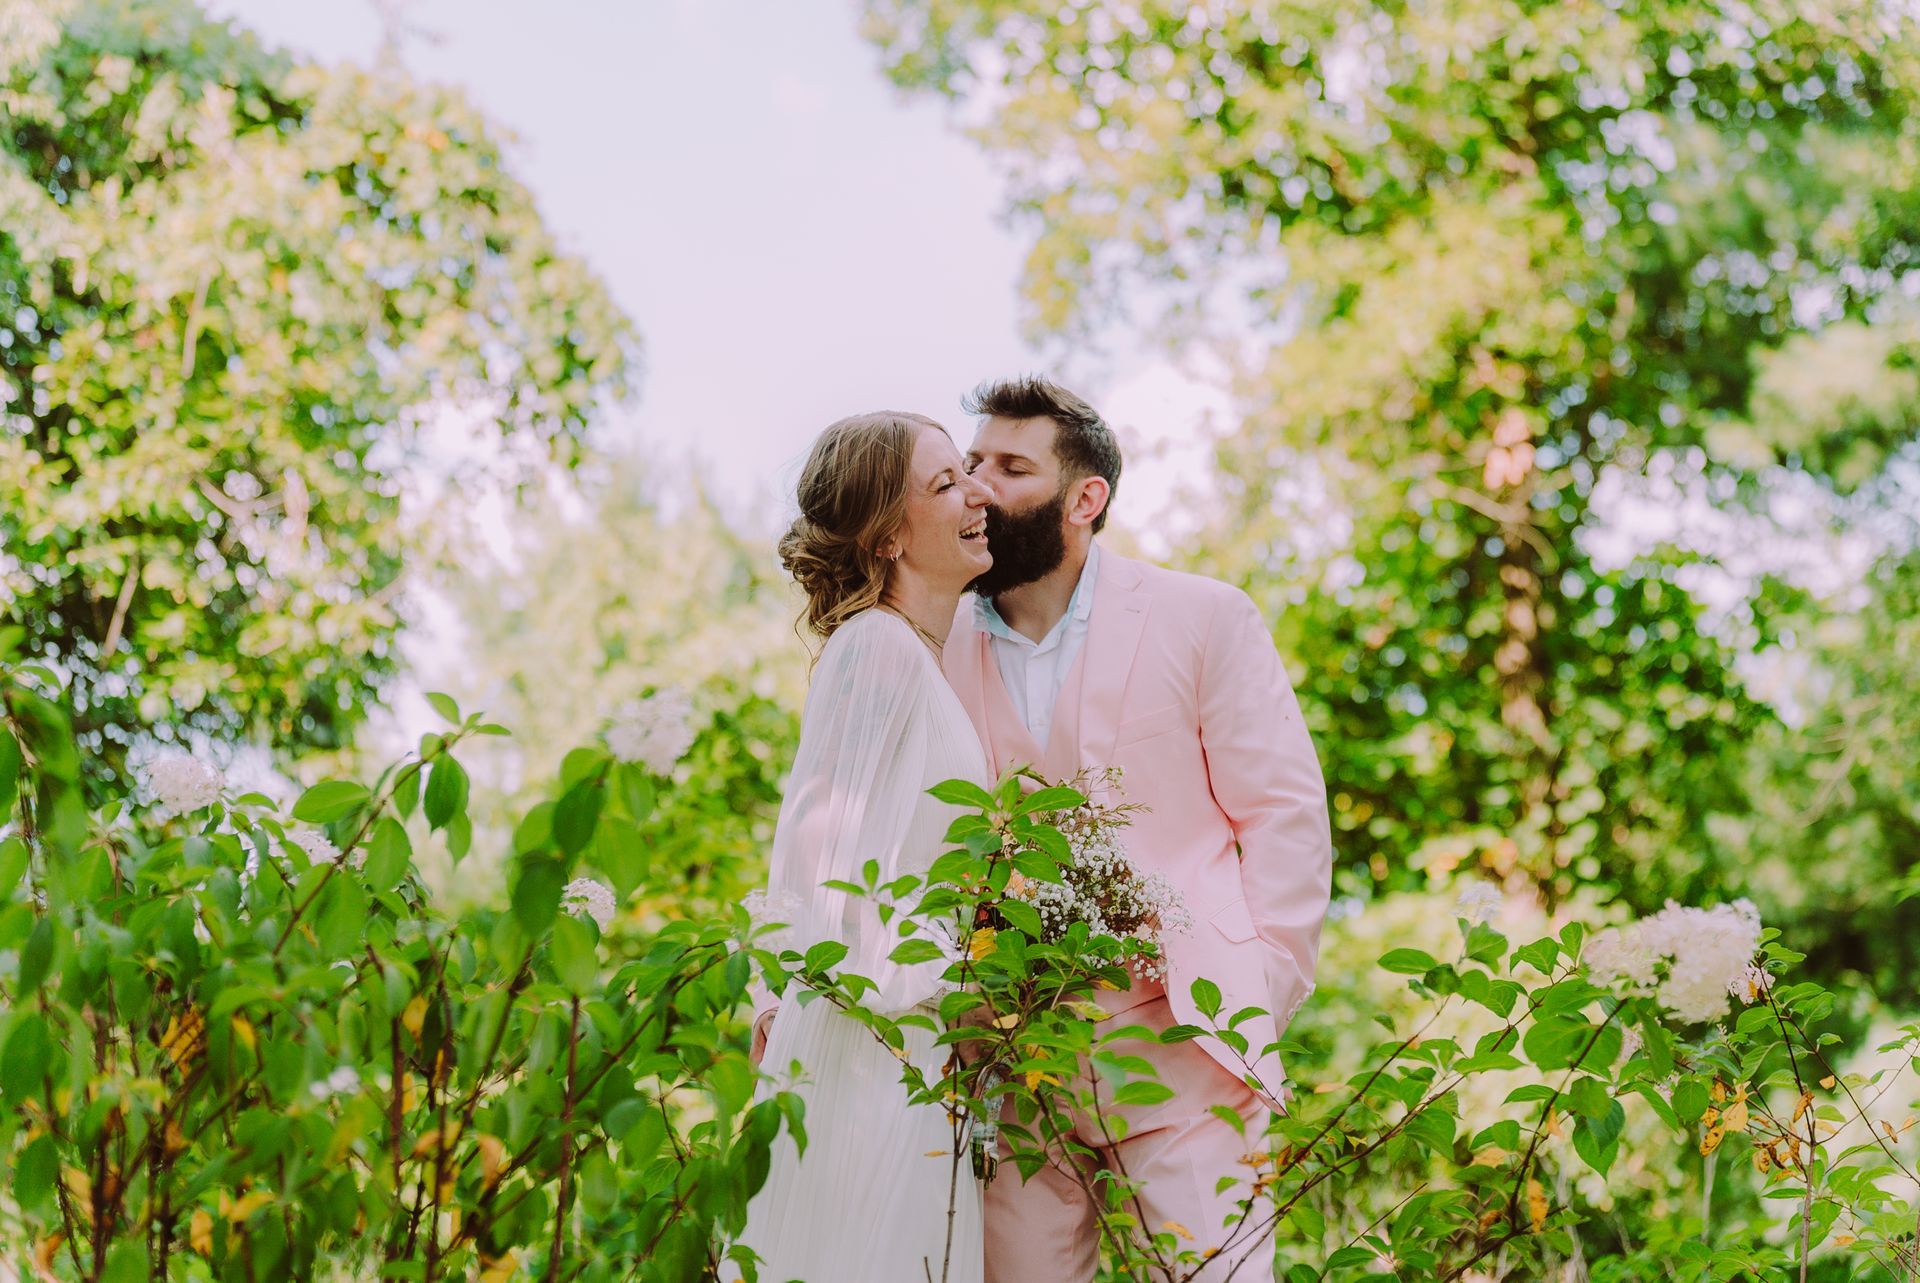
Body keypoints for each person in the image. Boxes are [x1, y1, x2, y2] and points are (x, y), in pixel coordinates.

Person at [946, 376, 1334, 1283]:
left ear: (1086, 500)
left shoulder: (1203, 617)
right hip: (1011, 1064)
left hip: (1186, 1043)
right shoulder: (930, 648)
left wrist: (1255, 993)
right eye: (970, 463)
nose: (977, 487)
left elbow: (1283, 813)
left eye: (1010, 465)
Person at [732, 410, 997, 1283]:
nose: (979, 494)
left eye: (970, 474)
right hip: (871, 1052)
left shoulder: (921, 664)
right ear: (887, 535)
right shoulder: (875, 651)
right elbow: (814, 859)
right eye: (946, 483)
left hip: (912, 1050)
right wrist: (776, 1004)